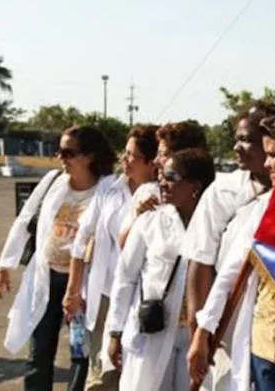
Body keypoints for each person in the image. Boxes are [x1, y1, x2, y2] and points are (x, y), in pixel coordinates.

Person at [187, 106, 275, 391]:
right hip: (265, 352)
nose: (267, 165)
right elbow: (231, 272)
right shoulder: (265, 208)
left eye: (273, 155)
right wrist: (203, 331)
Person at [0, 125, 117, 391]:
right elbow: (25, 218)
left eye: (68, 152)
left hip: (83, 285)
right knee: (38, 354)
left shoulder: (108, 190)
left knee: (81, 353)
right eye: (59, 151)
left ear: (90, 156)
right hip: (47, 279)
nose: (61, 158)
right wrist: (5, 265)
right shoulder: (53, 181)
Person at [106, 148, 215, 391]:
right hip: (151, 333)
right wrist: (115, 333)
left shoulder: (216, 226)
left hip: (195, 337)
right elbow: (126, 278)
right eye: (161, 177)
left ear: (194, 185)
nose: (162, 184)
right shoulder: (149, 221)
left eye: (171, 177)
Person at [62, 124, 159, 390]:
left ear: (152, 162)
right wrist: (73, 290)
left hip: (141, 301)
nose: (124, 160)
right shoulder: (109, 188)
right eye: (124, 153)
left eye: (132, 156)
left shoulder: (162, 196)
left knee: (134, 376)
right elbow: (82, 239)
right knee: (101, 376)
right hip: (105, 295)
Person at [117, 121, 208, 248]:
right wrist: (138, 218)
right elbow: (122, 245)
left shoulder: (212, 203)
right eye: (157, 154)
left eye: (163, 154)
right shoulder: (147, 193)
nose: (156, 161)